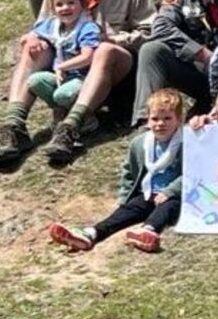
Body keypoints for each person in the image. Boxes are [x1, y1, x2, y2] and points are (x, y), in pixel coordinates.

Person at [0, 0, 154, 167]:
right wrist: (33, 36)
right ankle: (14, 126)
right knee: (34, 47)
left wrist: (114, 38)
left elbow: (149, 31)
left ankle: (70, 128)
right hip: (68, 66)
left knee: (104, 50)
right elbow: (45, 26)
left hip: (115, 67)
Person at [47, 88, 189, 255]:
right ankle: (91, 234)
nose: (160, 123)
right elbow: (128, 171)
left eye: (167, 118)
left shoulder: (186, 143)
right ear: (147, 120)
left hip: (176, 196)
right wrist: (125, 198)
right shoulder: (140, 143)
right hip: (147, 193)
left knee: (167, 207)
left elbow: (193, 173)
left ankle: (148, 231)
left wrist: (171, 191)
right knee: (126, 211)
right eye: (155, 118)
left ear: (178, 119)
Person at [19, 0, 101, 126]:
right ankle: (60, 111)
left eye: (71, 3)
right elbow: (28, 35)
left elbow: (87, 57)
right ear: (53, 8)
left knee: (62, 94)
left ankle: (86, 118)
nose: (65, 8)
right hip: (61, 77)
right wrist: (31, 40)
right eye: (59, 4)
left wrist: (62, 67)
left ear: (82, 4)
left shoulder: (87, 27)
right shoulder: (53, 25)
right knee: (35, 81)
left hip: (81, 78)